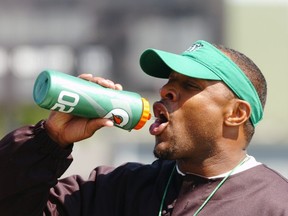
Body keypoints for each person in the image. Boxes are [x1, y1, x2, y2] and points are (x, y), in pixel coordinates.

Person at [0, 40, 287, 216]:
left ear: (236, 113)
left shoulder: (274, 205)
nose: (166, 92)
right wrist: (48, 141)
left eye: (189, 85)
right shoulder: (117, 188)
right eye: (169, 83)